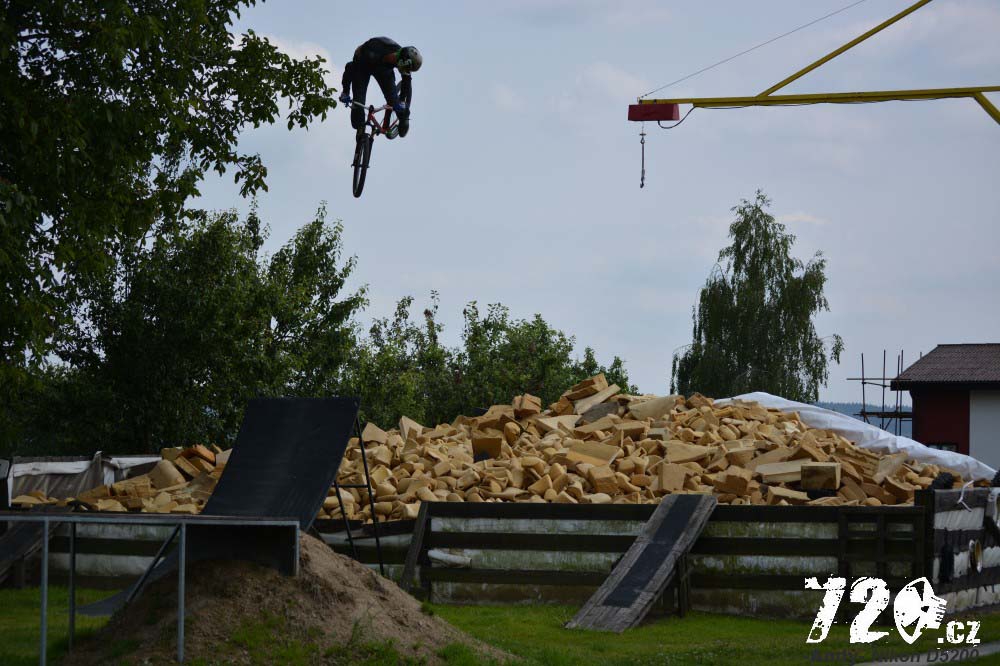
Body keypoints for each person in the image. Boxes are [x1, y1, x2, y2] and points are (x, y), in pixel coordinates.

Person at [340, 37, 422, 138]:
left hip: (384, 71)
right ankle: (360, 131)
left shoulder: (403, 56)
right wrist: (345, 91)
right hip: (363, 66)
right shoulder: (370, 50)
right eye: (403, 68)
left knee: (395, 102)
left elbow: (407, 82)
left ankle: (403, 118)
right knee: (358, 110)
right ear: (400, 61)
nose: (404, 71)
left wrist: (403, 110)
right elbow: (349, 69)